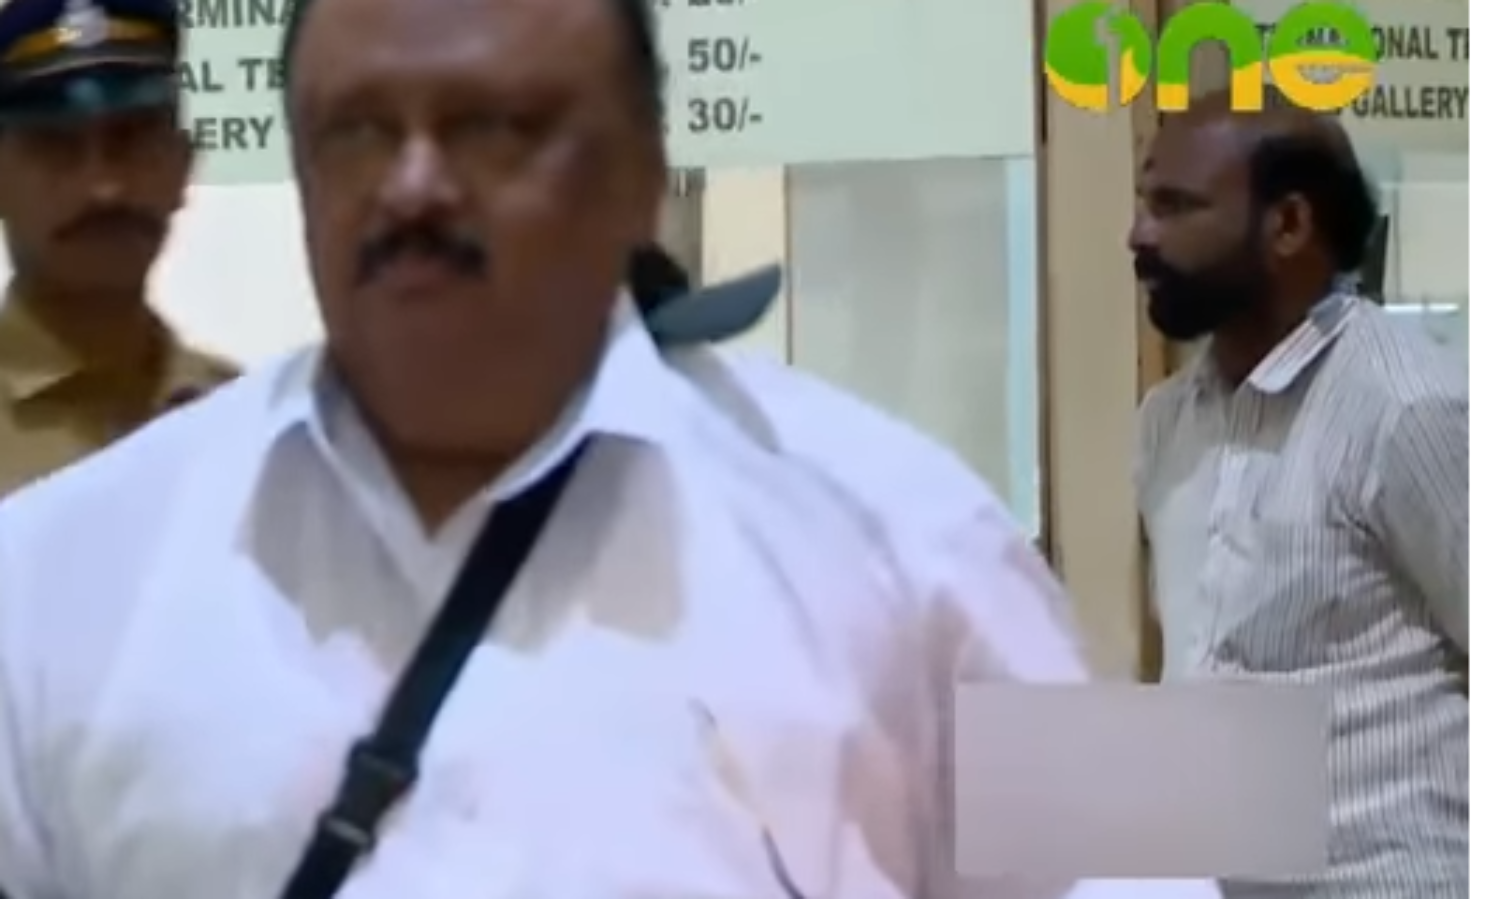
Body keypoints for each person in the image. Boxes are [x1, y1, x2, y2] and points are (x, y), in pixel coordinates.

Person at [0, 0, 1226, 897]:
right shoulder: (59, 575)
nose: (413, 186)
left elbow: (1145, 871)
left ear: (641, 176)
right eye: (357, 132)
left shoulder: (914, 530)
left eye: (493, 128)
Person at [1132, 89, 1467, 898]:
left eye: (1175, 206)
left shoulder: (1410, 407)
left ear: (1288, 225)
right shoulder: (1167, 422)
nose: (1138, 234)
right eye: (1144, 202)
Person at [0, 0, 237, 498]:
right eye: (56, 146)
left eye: (132, 138)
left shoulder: (246, 421)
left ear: (184, 163)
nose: (104, 188)